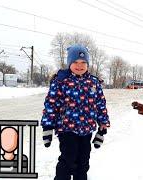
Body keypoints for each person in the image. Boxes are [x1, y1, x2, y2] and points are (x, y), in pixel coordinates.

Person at [41, 44, 110, 180]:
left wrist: (103, 123)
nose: (80, 66)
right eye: (76, 62)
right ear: (69, 63)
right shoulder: (61, 81)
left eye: (83, 62)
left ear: (88, 64)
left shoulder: (94, 82)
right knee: (68, 159)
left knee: (83, 161)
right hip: (67, 129)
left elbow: (100, 103)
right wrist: (48, 126)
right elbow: (51, 104)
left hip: (87, 129)